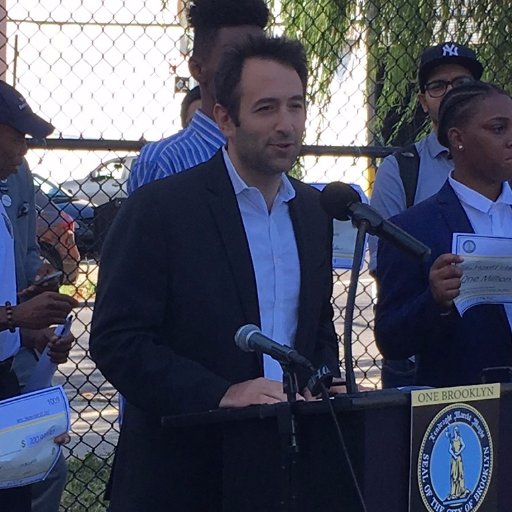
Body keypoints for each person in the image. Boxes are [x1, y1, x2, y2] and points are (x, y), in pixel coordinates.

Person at [90, 35, 340, 511]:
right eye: (267, 108)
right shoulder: (161, 209)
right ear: (225, 118)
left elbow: (315, 329)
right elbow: (117, 339)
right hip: (183, 471)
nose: (287, 125)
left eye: (297, 106)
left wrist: (322, 381)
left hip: (285, 467)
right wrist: (221, 393)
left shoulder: (312, 211)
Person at [375, 81, 512, 388]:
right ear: (458, 139)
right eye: (498, 129)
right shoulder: (413, 229)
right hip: (462, 414)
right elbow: (391, 339)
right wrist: (435, 301)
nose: (511, 139)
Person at [369, 42, 484, 387]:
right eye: (438, 85)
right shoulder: (401, 169)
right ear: (422, 100)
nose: (450, 92)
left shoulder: (498, 166)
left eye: (461, 84)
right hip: (419, 347)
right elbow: (384, 259)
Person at [0, 80, 77, 512]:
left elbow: (24, 259)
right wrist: (14, 316)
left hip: (7, 373)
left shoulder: (4, 195)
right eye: (18, 134)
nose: (25, 149)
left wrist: (33, 333)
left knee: (33, 471)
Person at [127, 0, 269, 194]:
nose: (249, 69)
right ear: (198, 69)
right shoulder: (166, 161)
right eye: (233, 56)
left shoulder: (271, 148)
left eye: (259, 55)